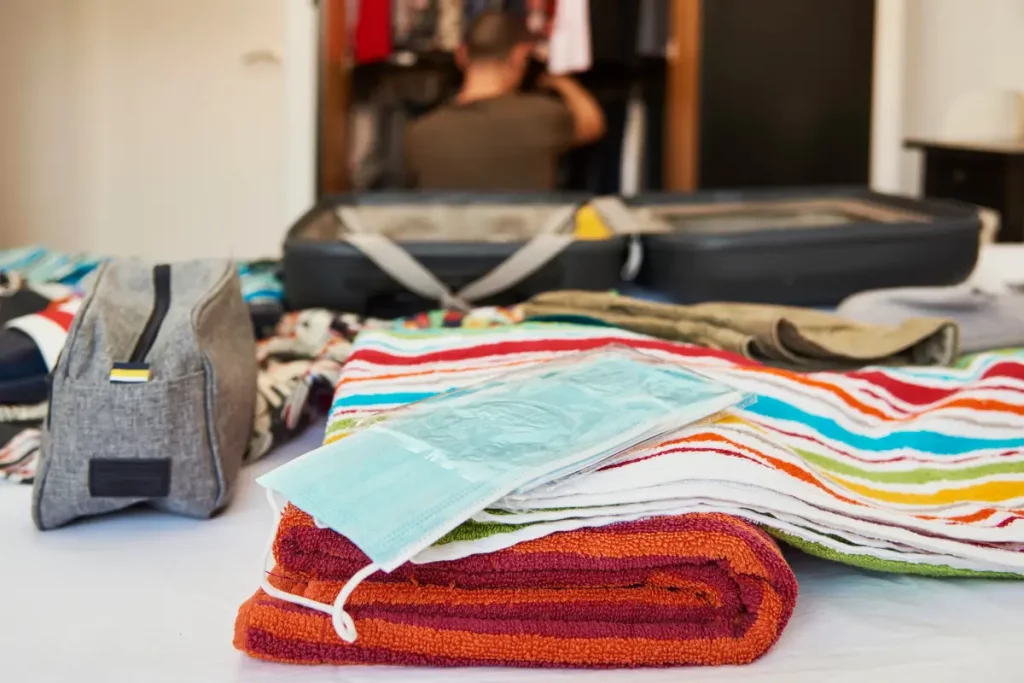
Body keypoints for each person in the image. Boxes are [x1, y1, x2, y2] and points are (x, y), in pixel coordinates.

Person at [403, 11, 606, 191]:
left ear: (461, 55)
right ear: (519, 57)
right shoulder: (543, 116)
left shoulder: (420, 133)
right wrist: (560, 81)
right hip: (527, 234)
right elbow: (592, 123)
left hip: (450, 234)